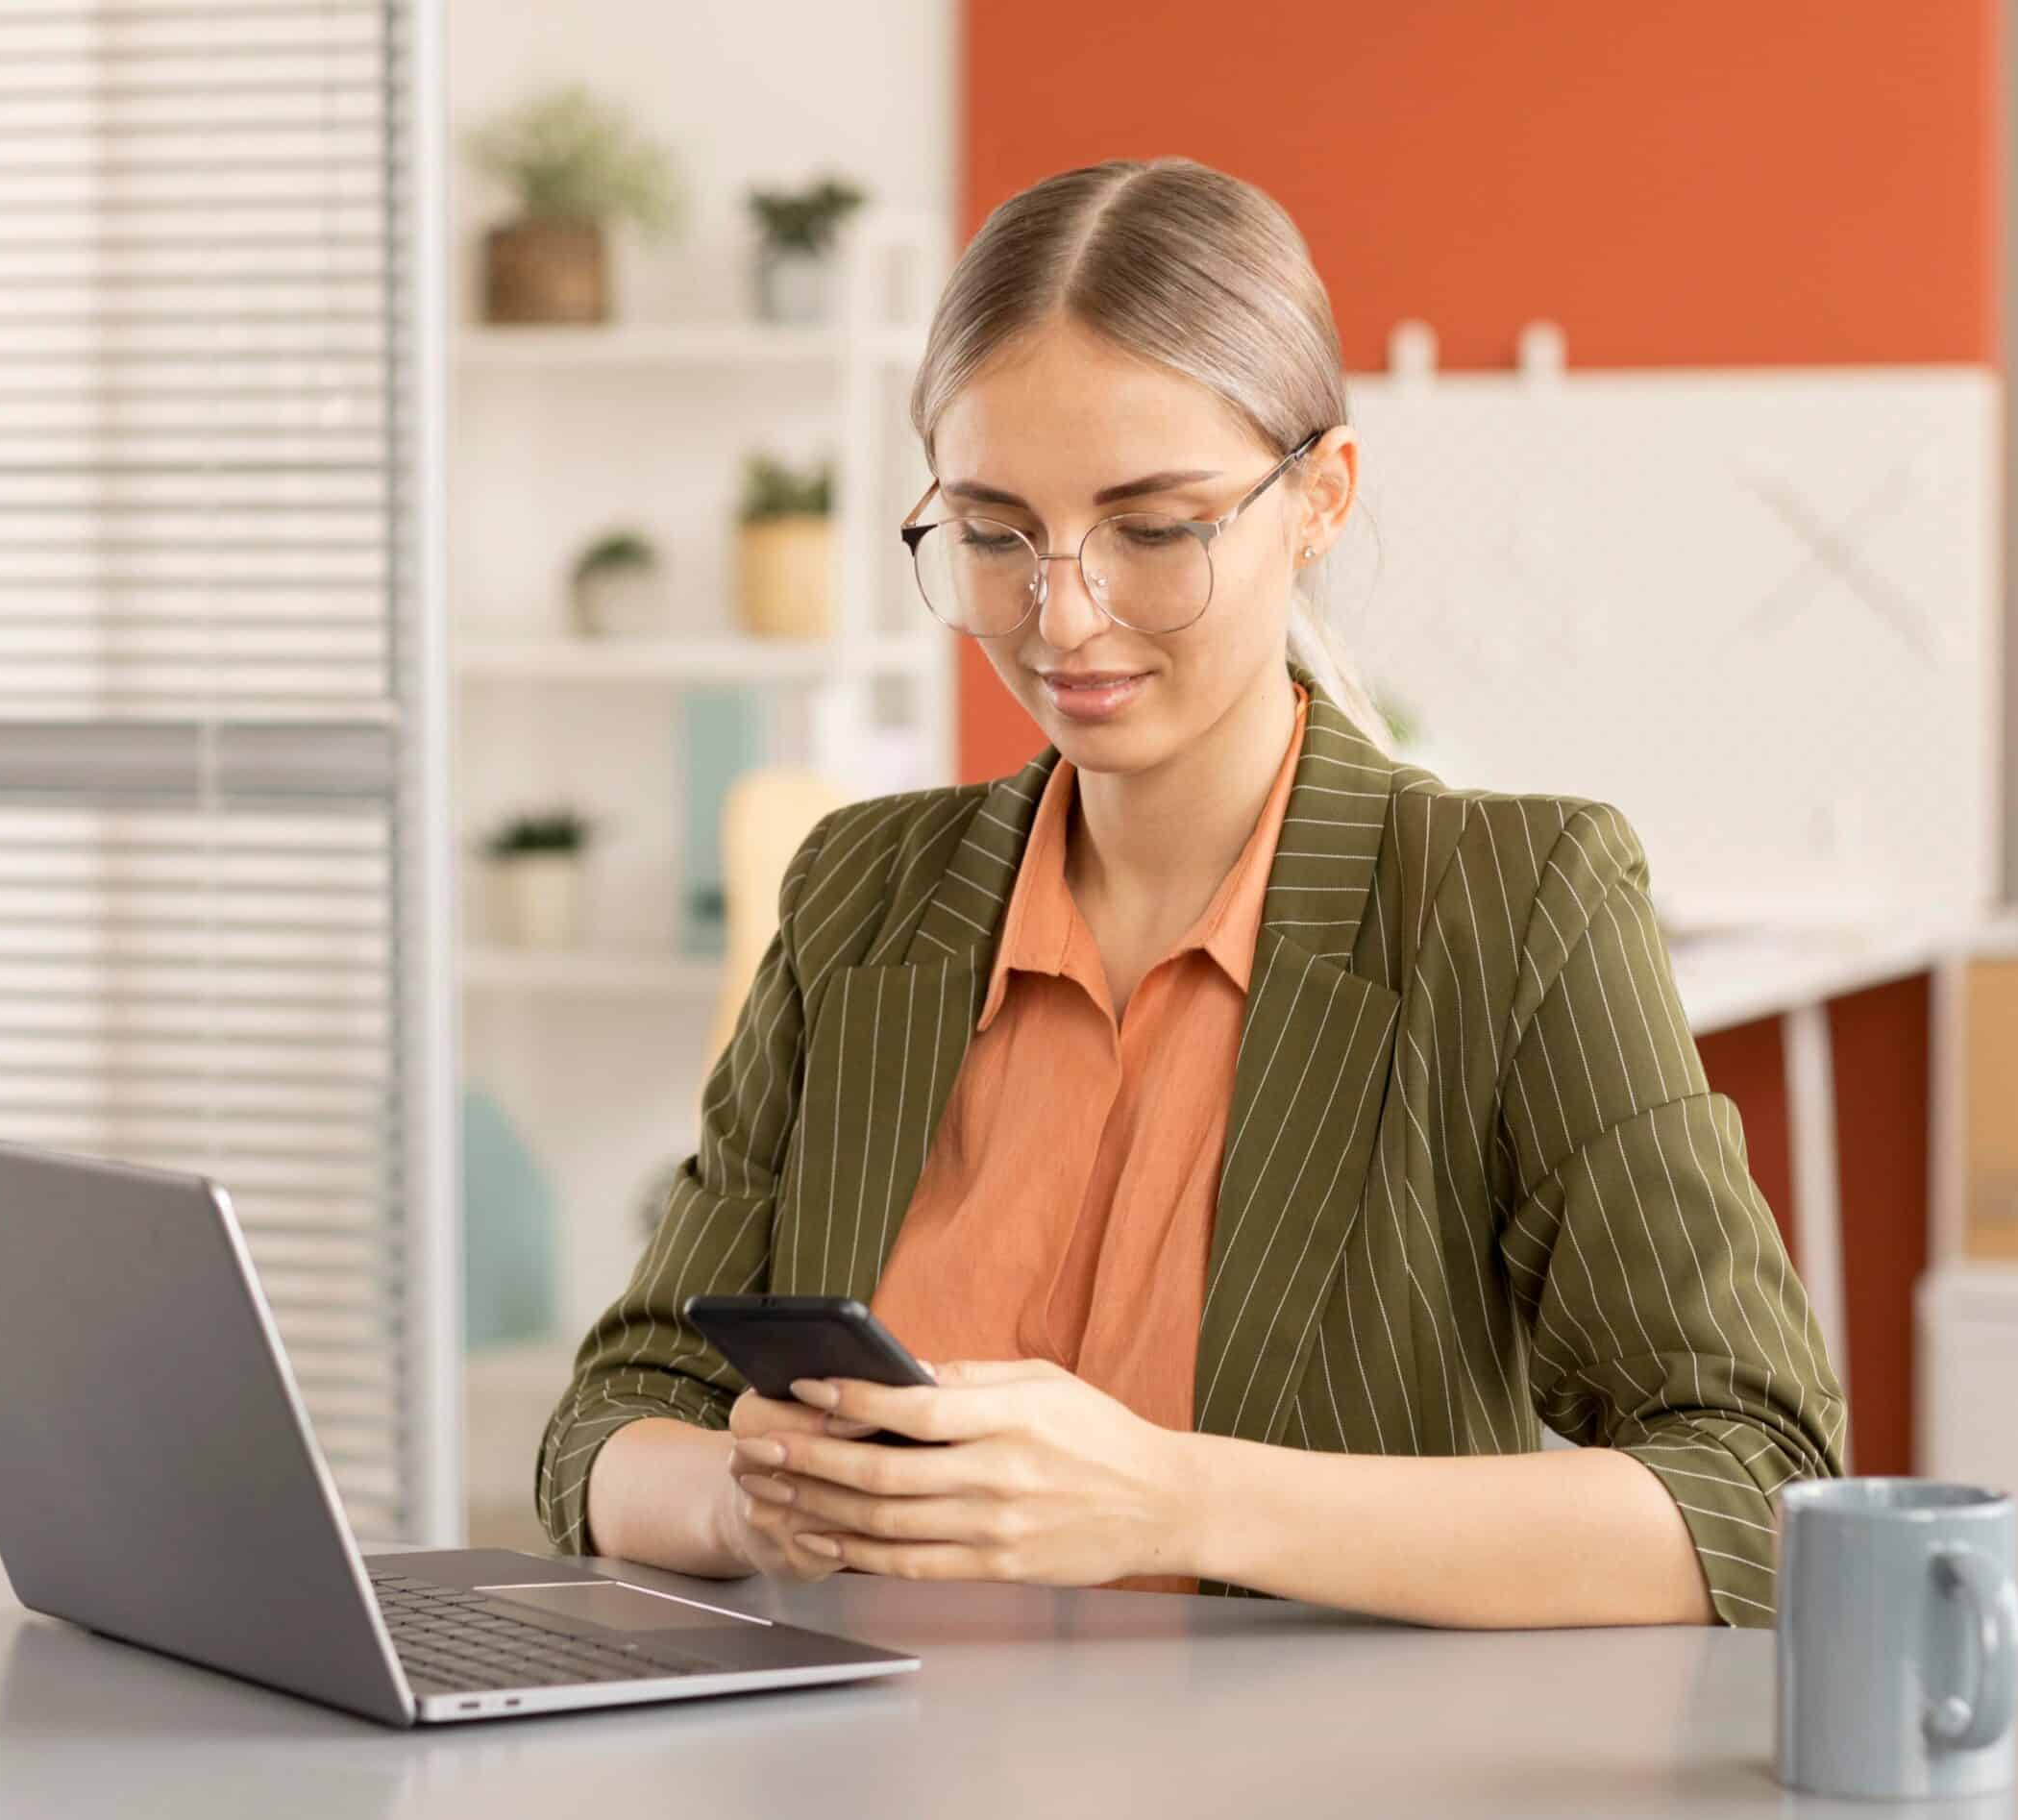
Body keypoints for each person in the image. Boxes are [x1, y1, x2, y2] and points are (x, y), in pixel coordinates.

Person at [536, 156, 1845, 1630]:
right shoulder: (861, 898)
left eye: (1155, 530)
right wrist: (740, 1495)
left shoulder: (1511, 901)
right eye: (991, 532)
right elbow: (608, 1420)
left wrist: (1172, 1496)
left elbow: (1760, 1492)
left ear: (1321, 498)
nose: (1064, 615)